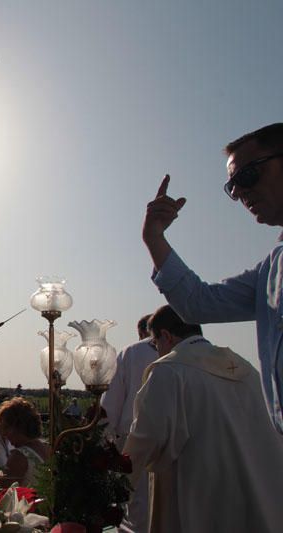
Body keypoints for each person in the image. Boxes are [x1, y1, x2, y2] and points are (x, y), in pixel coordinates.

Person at [142, 123, 283, 432]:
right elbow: (198, 304)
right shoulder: (271, 269)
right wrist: (154, 237)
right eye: (231, 186)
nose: (240, 192)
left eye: (247, 176)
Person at [123, 305, 283, 533]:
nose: (156, 350)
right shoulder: (246, 369)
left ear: (166, 336)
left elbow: (145, 440)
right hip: (259, 500)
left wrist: (115, 488)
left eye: (154, 344)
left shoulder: (170, 371)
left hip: (203, 502)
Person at [100, 314, 157, 533]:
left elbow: (109, 408)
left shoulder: (131, 352)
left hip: (134, 445)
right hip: (177, 446)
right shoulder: (182, 350)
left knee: (136, 512)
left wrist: (104, 448)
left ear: (143, 331)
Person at [0, 397, 50, 485]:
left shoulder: (19, 456)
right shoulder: (47, 448)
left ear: (18, 426)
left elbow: (3, 494)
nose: (3, 434)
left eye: (6, 428)